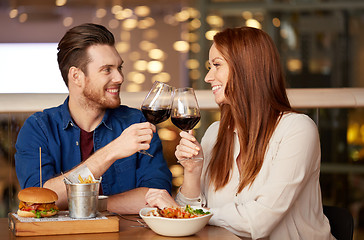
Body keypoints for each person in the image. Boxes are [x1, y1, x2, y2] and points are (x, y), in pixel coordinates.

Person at [146, 27, 334, 239]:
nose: (208, 77)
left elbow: (260, 221)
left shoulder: (297, 130)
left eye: (217, 65)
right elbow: (189, 221)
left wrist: (186, 214)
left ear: (247, 68)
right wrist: (192, 171)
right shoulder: (215, 133)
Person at [15, 23, 172, 214]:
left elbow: (157, 195)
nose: (120, 77)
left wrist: (89, 205)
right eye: (107, 69)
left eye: (119, 67)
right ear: (76, 76)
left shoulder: (136, 122)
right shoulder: (39, 128)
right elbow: (40, 200)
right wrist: (112, 151)